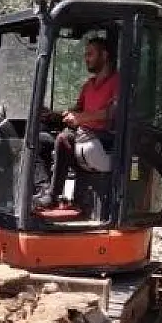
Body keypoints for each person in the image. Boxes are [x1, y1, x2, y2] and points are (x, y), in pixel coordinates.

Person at [33, 37, 119, 210]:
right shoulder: (89, 85)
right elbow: (77, 109)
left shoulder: (117, 81)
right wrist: (55, 115)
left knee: (64, 139)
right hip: (84, 136)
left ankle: (53, 196)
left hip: (104, 140)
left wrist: (81, 119)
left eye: (90, 54)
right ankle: (43, 188)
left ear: (104, 55)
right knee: (39, 140)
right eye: (85, 55)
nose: (86, 58)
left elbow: (114, 113)